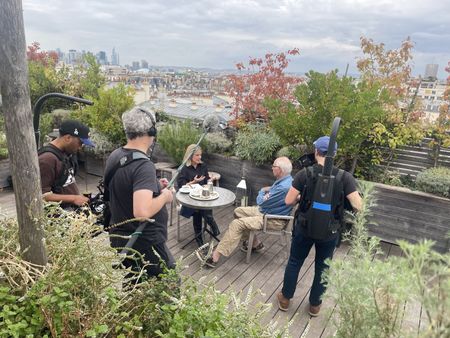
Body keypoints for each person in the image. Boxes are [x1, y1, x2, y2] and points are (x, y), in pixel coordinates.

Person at [277, 136, 362, 316]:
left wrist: (302, 197)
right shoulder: (344, 177)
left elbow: (288, 201)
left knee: (294, 262)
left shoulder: (305, 173)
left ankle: (285, 299)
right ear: (335, 154)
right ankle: (315, 305)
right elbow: (359, 206)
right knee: (323, 268)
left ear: (316, 152)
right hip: (330, 231)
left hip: (304, 228)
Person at [105, 106, 175, 281]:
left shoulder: (116, 155)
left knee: (134, 284)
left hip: (121, 238)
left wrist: (155, 185)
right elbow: (142, 213)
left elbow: (125, 187)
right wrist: (164, 196)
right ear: (151, 131)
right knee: (169, 282)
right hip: (144, 243)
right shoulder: (144, 165)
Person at [197, 156, 293, 268]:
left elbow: (261, 202)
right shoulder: (287, 180)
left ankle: (215, 256)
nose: (272, 168)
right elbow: (271, 193)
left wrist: (262, 191)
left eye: (274, 166)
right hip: (266, 211)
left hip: (271, 219)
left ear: (280, 170)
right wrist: (268, 191)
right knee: (238, 211)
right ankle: (255, 244)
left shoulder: (283, 187)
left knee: (237, 224)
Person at [38, 119, 94, 210]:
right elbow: (42, 196)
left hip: (71, 212)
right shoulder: (47, 159)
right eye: (80, 143)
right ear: (68, 138)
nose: (80, 147)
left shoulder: (65, 153)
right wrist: (74, 198)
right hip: (58, 218)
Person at [176, 144, 220, 247]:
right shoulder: (184, 168)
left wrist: (210, 180)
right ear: (190, 155)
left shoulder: (203, 166)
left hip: (201, 196)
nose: (200, 157)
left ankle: (199, 237)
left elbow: (206, 181)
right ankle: (211, 224)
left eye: (200, 155)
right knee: (198, 209)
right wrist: (193, 182)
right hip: (188, 198)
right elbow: (181, 186)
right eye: (197, 155)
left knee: (201, 206)